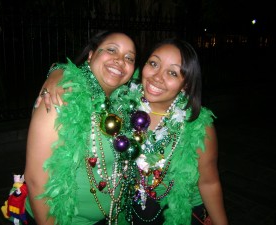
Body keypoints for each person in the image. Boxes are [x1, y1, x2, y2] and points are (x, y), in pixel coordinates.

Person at [36, 38, 229, 225]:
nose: (157, 77)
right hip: (132, 208)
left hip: (180, 211)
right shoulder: (125, 99)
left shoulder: (197, 124)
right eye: (153, 63)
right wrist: (58, 74)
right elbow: (92, 72)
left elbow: (209, 183)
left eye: (173, 73)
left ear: (186, 84)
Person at [24, 30, 139, 225]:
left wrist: (56, 69)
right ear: (91, 55)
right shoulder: (60, 97)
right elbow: (36, 180)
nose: (120, 60)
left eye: (129, 58)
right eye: (111, 50)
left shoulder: (126, 103)